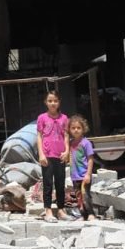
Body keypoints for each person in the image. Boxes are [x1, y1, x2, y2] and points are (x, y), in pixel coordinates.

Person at [37, 90, 70, 222]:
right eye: (50, 101)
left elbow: (66, 136)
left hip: (60, 155)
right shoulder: (42, 118)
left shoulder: (64, 118)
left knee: (60, 183)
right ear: (46, 102)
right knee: (48, 183)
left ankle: (61, 210)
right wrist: (41, 154)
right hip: (47, 155)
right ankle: (48, 211)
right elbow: (39, 136)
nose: (53, 103)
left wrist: (67, 151)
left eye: (55, 101)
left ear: (59, 102)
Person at [68, 114, 96, 221]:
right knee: (78, 197)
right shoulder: (70, 143)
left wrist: (88, 174)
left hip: (84, 175)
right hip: (75, 176)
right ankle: (83, 215)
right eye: (73, 128)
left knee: (86, 196)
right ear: (70, 130)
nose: (76, 130)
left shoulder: (86, 143)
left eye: (78, 128)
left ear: (83, 129)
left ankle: (91, 214)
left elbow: (90, 159)